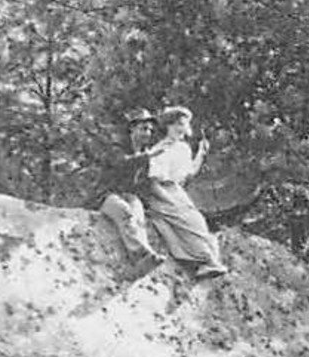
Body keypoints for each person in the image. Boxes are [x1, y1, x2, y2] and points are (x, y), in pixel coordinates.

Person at [139, 105, 228, 279]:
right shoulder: (160, 148)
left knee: (198, 220)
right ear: (168, 126)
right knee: (188, 219)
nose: (181, 129)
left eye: (184, 125)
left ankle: (206, 261)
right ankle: (206, 260)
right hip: (160, 193)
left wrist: (201, 154)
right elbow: (153, 182)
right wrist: (170, 201)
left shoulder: (183, 148)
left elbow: (188, 174)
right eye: (177, 124)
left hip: (176, 191)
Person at [96, 107, 166, 266]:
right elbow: (122, 163)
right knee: (124, 212)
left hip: (127, 195)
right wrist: (147, 156)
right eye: (143, 129)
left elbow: (141, 184)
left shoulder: (145, 154)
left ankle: (147, 252)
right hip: (105, 196)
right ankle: (139, 255)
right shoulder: (117, 147)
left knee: (137, 211)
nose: (147, 133)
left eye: (150, 130)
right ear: (132, 129)